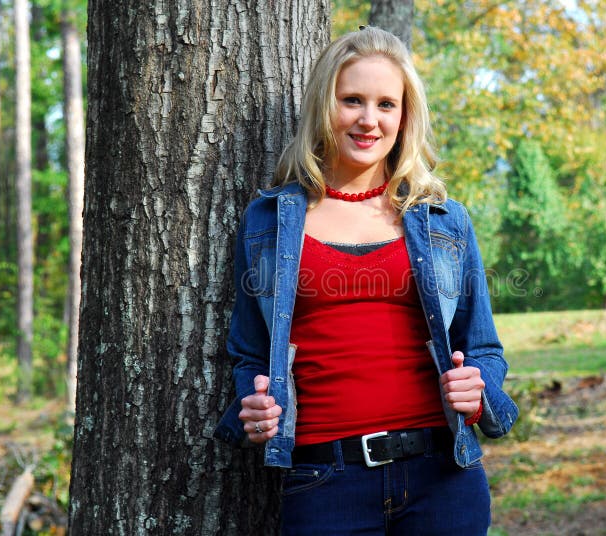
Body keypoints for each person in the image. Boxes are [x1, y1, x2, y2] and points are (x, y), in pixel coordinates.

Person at [215, 26, 518, 535]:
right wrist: (255, 404)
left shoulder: (442, 220)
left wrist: (479, 386)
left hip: (442, 479)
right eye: (351, 100)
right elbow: (250, 351)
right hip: (322, 481)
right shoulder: (269, 221)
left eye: (386, 104)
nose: (368, 120)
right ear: (323, 106)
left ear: (405, 117)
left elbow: (484, 347)